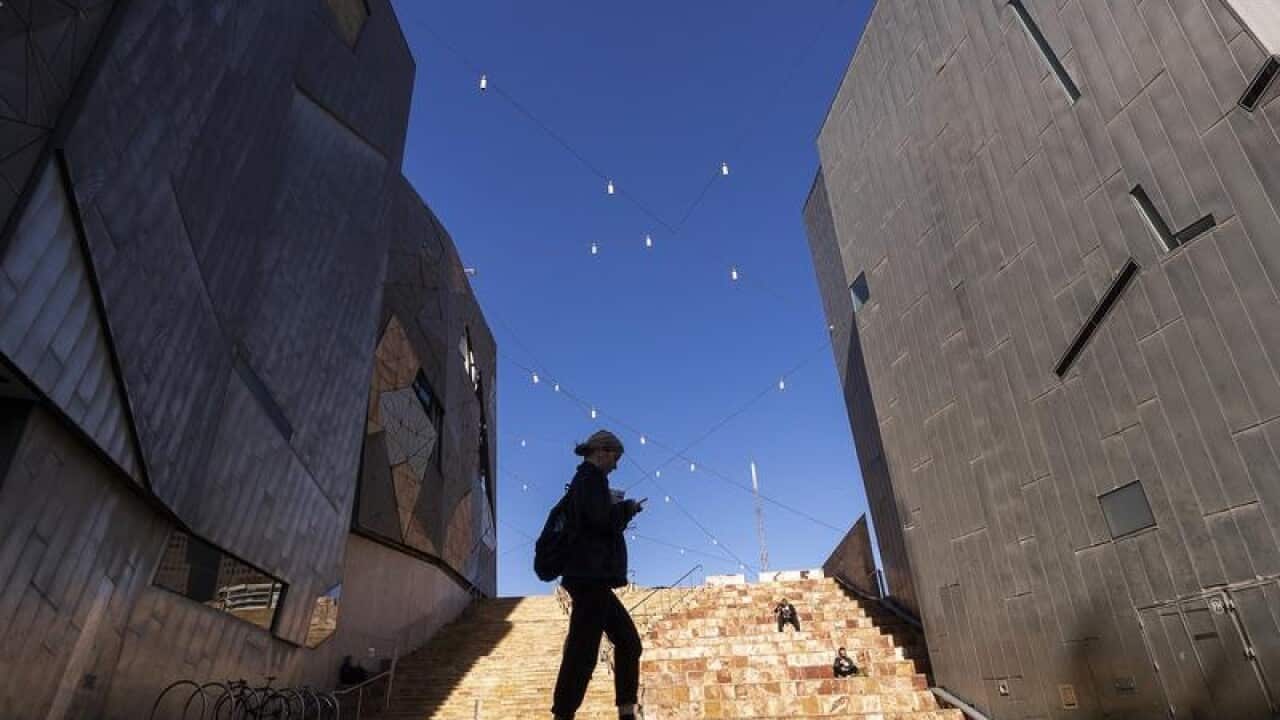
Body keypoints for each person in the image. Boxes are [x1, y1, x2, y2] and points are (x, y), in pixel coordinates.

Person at [552, 430, 648, 720]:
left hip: (592, 578)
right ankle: (564, 713)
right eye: (615, 458)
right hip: (589, 577)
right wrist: (626, 510)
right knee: (584, 650)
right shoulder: (589, 480)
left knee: (627, 642)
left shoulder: (588, 482)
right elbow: (600, 522)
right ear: (602, 452)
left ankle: (626, 710)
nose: (616, 465)